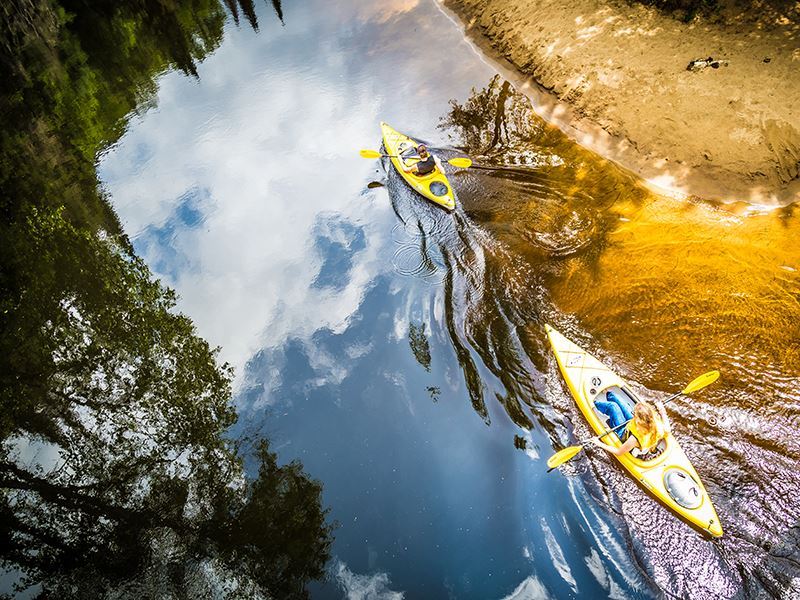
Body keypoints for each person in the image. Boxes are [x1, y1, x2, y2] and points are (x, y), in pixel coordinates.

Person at [592, 390, 671, 458]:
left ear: (638, 420)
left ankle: (594, 403)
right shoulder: (656, 424)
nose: (633, 413)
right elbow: (668, 430)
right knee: (617, 398)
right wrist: (661, 410)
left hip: (623, 433)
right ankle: (609, 394)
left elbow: (618, 452)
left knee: (613, 407)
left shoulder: (634, 439)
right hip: (632, 426)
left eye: (634, 413)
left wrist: (599, 443)